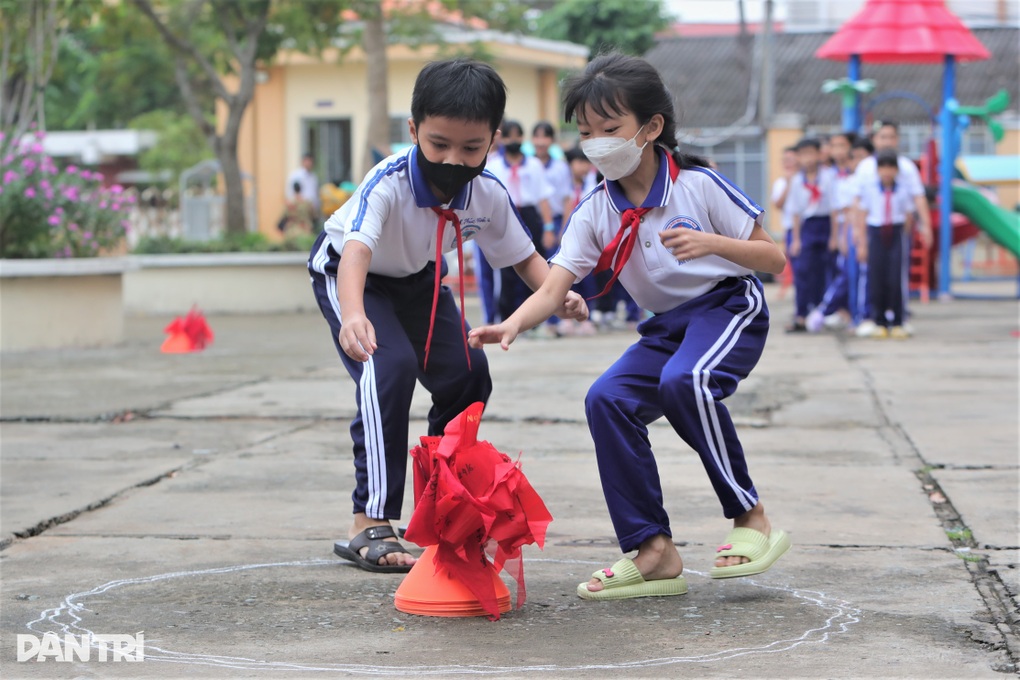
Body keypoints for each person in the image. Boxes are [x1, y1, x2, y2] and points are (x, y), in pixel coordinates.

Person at [469, 53, 789, 600]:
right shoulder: (596, 208)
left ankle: (751, 518)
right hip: (666, 326)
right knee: (606, 399)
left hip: (727, 306)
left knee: (684, 381)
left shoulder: (698, 185)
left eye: (610, 129)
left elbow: (774, 258)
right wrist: (513, 323)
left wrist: (712, 243)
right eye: (587, 132)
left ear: (652, 127)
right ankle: (654, 550)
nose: (597, 143)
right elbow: (553, 285)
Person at [307, 59, 588, 573]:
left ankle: (443, 509)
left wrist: (558, 291)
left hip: (418, 283)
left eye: (470, 148)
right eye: (438, 144)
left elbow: (524, 258)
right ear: (413, 131)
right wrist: (351, 314)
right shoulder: (387, 181)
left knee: (468, 375)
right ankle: (368, 519)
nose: (452, 160)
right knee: (386, 368)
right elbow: (356, 252)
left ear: (493, 140)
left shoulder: (487, 195)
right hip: (355, 279)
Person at [852, 121, 931, 338]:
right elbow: (859, 205)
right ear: (874, 139)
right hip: (874, 229)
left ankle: (898, 319)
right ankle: (871, 318)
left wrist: (925, 226)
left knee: (897, 275)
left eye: (891, 137)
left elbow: (916, 199)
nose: (887, 141)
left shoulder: (906, 167)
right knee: (872, 275)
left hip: (896, 231)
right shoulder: (865, 167)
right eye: (882, 137)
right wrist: (858, 236)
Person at [487, 120, 556, 322]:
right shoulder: (495, 165)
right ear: (502, 138)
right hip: (506, 215)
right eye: (509, 136)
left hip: (529, 215)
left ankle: (534, 320)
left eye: (518, 136)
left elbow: (543, 198)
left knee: (534, 264)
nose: (513, 140)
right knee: (507, 271)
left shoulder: (533, 164)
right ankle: (506, 317)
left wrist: (549, 228)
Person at [807, 131, 858, 332]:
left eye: (841, 146)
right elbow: (834, 210)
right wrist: (836, 235)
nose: (836, 151)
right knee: (836, 270)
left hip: (852, 227)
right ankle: (837, 311)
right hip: (835, 227)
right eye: (833, 146)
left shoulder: (855, 173)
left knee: (848, 271)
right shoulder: (829, 173)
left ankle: (829, 310)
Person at [786, 137, 837, 332]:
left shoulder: (828, 176)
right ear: (798, 157)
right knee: (804, 271)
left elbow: (834, 208)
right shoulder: (797, 180)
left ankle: (821, 312)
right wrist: (796, 239)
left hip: (825, 225)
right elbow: (796, 212)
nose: (807, 158)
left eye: (811, 153)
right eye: (803, 154)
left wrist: (834, 236)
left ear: (819, 154)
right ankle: (801, 314)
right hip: (808, 227)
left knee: (825, 270)